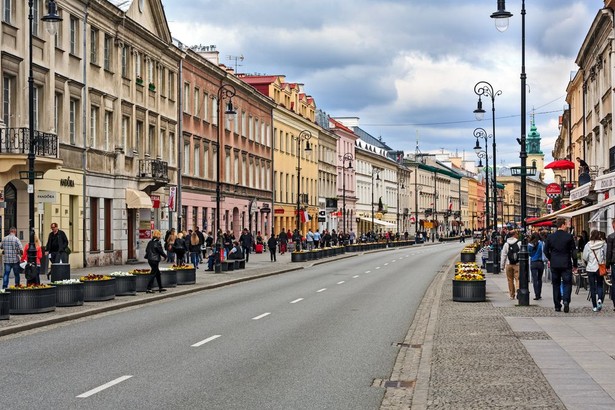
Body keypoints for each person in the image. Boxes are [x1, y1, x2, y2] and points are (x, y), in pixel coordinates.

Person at [544, 217, 578, 313]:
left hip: (555, 264)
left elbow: (545, 250)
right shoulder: (569, 237)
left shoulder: (551, 237)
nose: (567, 226)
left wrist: (551, 258)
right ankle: (566, 300)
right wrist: (575, 264)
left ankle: (557, 305)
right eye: (566, 224)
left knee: (556, 284)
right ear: (562, 225)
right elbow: (574, 252)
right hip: (566, 263)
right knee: (567, 283)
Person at [582, 229, 607, 312]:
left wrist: (588, 261)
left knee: (592, 287)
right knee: (600, 285)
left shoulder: (588, 245)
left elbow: (585, 257)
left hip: (590, 268)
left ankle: (594, 306)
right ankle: (600, 299)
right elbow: (605, 255)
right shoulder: (603, 244)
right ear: (599, 235)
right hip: (600, 268)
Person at [500, 230, 520, 300]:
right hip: (517, 264)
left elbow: (503, 255)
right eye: (517, 234)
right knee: (518, 279)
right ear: (514, 235)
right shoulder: (519, 243)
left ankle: (512, 295)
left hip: (509, 264)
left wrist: (502, 266)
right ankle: (518, 290)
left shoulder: (506, 244)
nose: (518, 235)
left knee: (510, 280)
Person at [528, 232, 544, 300]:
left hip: (534, 262)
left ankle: (536, 294)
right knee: (539, 279)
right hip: (540, 262)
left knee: (535, 279)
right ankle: (539, 294)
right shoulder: (541, 243)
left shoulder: (530, 244)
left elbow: (529, 254)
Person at [606, 219, 615, 311]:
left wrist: (607, 265)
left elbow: (609, 252)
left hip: (614, 263)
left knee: (614, 282)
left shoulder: (611, 237)